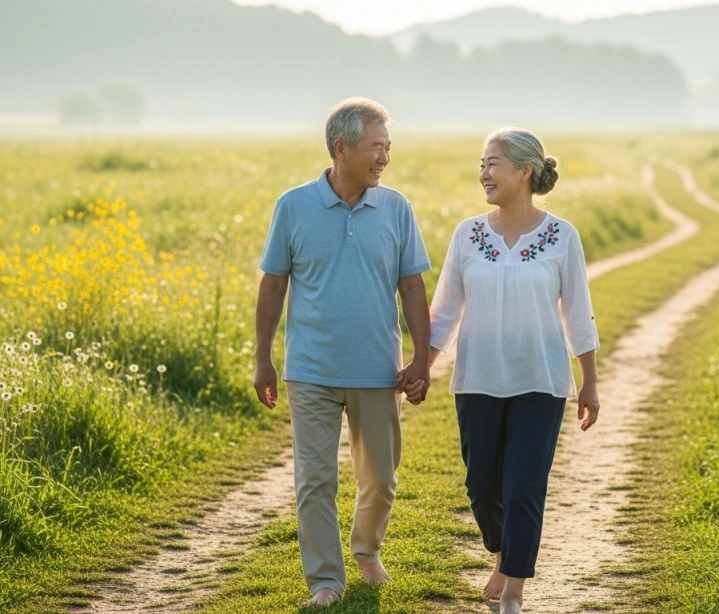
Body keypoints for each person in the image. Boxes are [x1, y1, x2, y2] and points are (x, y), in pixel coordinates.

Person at [254, 97, 432, 608]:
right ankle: (325, 580)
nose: (384, 158)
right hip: (309, 369)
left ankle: (366, 549)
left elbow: (412, 286)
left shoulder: (395, 207)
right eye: (376, 148)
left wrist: (421, 358)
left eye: (388, 148)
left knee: (381, 478)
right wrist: (263, 358)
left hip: (378, 370)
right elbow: (272, 286)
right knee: (315, 479)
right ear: (342, 148)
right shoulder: (293, 206)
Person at [417, 127, 600, 614]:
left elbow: (578, 312)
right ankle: (502, 552)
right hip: (477, 381)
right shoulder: (467, 234)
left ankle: (514, 590)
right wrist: (421, 367)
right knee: (482, 487)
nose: (483, 173)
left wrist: (590, 383)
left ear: (524, 171)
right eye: (481, 163)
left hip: (539, 382)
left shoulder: (562, 236)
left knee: (523, 487)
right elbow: (446, 309)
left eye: (492, 163)